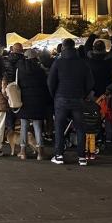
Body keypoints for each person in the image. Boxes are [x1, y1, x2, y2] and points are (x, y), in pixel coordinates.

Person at [47, 38, 94, 166]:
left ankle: (59, 155)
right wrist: (83, 94)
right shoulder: (83, 63)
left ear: (63, 47)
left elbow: (50, 82)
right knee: (80, 128)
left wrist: (55, 95)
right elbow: (90, 82)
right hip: (78, 99)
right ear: (74, 47)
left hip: (61, 98)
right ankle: (82, 157)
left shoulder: (58, 62)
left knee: (60, 127)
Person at [16, 49, 51, 160]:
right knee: (37, 126)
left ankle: (23, 152)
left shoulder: (19, 70)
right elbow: (45, 86)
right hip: (38, 101)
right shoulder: (40, 70)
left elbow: (17, 85)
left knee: (24, 126)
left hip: (24, 100)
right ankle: (40, 152)